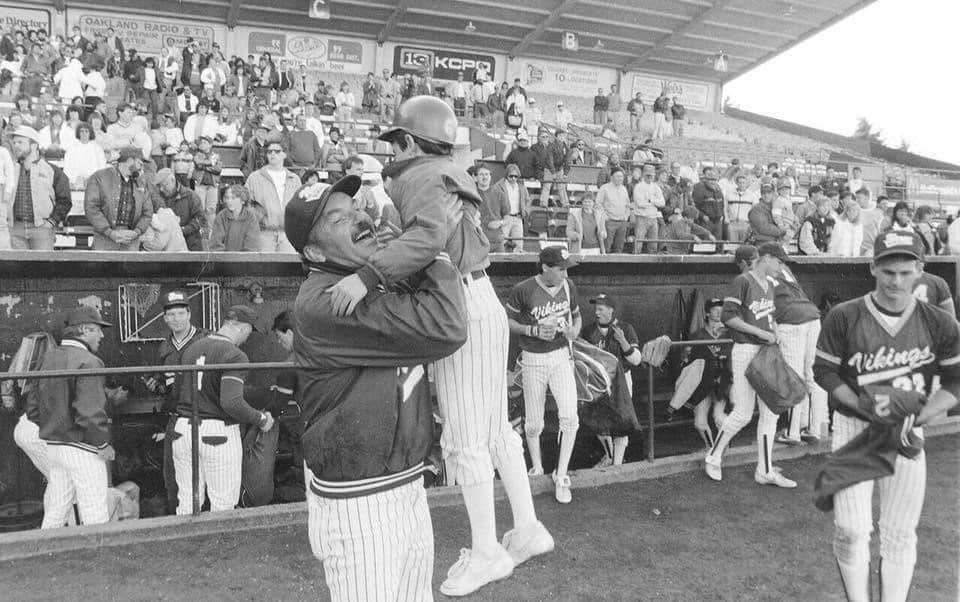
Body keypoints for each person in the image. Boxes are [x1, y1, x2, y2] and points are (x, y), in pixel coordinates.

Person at [327, 97, 553, 596]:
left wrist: (366, 276)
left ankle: (489, 552)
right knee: (495, 430)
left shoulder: (423, 175)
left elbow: (428, 238)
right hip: (481, 297)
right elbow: (427, 233)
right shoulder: (443, 169)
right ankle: (528, 526)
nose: (393, 149)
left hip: (459, 305)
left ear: (411, 140)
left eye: (397, 140)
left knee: (466, 441)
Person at [285, 178, 468, 602]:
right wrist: (430, 244)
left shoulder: (370, 275)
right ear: (314, 252)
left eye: (356, 207)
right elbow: (447, 325)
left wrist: (407, 247)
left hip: (406, 483)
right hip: (359, 500)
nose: (357, 217)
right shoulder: (326, 301)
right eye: (337, 218)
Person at [814, 230, 960, 602]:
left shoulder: (939, 322)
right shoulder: (845, 315)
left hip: (907, 431)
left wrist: (922, 416)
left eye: (905, 272)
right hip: (854, 427)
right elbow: (824, 372)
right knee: (851, 528)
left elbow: (956, 381)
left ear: (921, 271)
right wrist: (861, 404)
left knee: (900, 531)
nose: (896, 281)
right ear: (873, 267)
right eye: (888, 271)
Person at [704, 244, 797, 488]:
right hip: (746, 349)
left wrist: (774, 333)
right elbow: (728, 317)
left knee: (770, 412)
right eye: (778, 262)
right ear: (766, 258)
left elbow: (770, 317)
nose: (781, 267)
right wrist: (760, 333)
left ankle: (764, 470)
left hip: (766, 351)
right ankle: (713, 456)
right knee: (743, 413)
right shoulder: (743, 280)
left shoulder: (770, 285)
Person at [173, 305, 275, 515]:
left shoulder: (191, 348)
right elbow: (232, 403)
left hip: (183, 429)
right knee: (223, 505)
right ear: (244, 329)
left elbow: (178, 392)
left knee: (187, 503)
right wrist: (261, 419)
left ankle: (188, 547)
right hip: (216, 434)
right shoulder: (234, 354)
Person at [506, 246, 581, 502]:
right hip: (533, 358)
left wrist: (574, 331)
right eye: (560, 268)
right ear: (545, 267)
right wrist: (533, 331)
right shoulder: (523, 289)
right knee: (535, 422)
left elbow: (577, 316)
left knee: (570, 416)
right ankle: (536, 466)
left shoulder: (568, 286)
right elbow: (508, 322)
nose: (564, 273)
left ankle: (561, 475)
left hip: (560, 355)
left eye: (566, 268)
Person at [36, 306, 115, 527]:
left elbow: (33, 407)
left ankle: (44, 558)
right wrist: (103, 444)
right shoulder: (89, 361)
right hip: (82, 448)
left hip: (54, 447)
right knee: (94, 513)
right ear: (83, 329)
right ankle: (97, 562)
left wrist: (55, 426)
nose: (101, 335)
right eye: (97, 330)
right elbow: (89, 414)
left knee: (56, 512)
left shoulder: (49, 357)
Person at [143, 291, 208, 514]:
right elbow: (163, 388)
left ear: (189, 314)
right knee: (173, 475)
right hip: (176, 417)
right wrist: (155, 385)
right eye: (172, 314)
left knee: (206, 474)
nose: (177, 318)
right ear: (165, 318)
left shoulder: (205, 339)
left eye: (181, 312)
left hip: (205, 415)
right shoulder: (163, 348)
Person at [759, 242, 829, 445]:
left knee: (794, 377)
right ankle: (814, 430)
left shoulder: (763, 272)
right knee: (811, 375)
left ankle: (793, 433)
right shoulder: (785, 269)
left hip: (792, 321)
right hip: (812, 316)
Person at [581, 293, 642, 466]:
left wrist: (623, 341)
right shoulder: (588, 330)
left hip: (622, 380)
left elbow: (637, 359)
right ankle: (611, 457)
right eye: (595, 308)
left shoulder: (625, 328)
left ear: (611, 310)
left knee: (621, 423)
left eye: (600, 309)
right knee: (599, 422)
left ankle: (617, 465)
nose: (596, 312)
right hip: (599, 382)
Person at [7, 125, 72, 250]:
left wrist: (52, 222)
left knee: (43, 268)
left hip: (42, 229)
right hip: (15, 229)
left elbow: (65, 200)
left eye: (20, 142)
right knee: (16, 269)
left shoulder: (53, 171)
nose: (16, 146)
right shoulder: (9, 169)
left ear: (34, 146)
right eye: (14, 142)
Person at [84, 147, 154, 251]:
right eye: (140, 163)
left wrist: (136, 232)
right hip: (104, 240)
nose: (141, 168)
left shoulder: (142, 183)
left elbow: (148, 212)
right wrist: (109, 232)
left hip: (131, 242)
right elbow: (91, 208)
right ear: (130, 161)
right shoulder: (99, 177)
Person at [245, 140, 300, 252]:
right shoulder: (254, 177)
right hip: (264, 234)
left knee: (288, 269)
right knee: (264, 269)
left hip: (288, 235)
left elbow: (300, 206)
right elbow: (246, 203)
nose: (272, 154)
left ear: (284, 154)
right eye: (269, 151)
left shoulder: (295, 179)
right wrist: (260, 219)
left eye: (277, 151)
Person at [154, 168, 204, 251]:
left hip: (191, 247)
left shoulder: (191, 196)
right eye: (159, 186)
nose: (161, 189)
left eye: (164, 185)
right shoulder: (158, 198)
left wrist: (182, 230)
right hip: (167, 248)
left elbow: (200, 219)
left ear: (173, 180)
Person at [490, 163, 530, 253]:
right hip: (505, 218)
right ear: (506, 175)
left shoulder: (521, 187)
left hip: (518, 218)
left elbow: (528, 200)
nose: (513, 178)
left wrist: (525, 212)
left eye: (516, 176)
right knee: (501, 244)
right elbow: (494, 203)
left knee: (519, 246)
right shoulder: (498, 187)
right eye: (511, 176)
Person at [210, 184, 261, 252]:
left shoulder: (251, 217)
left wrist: (241, 259)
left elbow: (252, 245)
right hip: (224, 260)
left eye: (233, 198)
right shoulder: (221, 216)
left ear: (243, 200)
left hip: (246, 260)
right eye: (227, 198)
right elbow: (216, 243)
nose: (229, 201)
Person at [631, 164, 665, 253]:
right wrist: (653, 202)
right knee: (638, 244)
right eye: (647, 175)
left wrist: (650, 200)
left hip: (653, 218)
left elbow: (662, 203)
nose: (649, 177)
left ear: (654, 175)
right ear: (643, 175)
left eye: (651, 175)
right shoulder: (638, 186)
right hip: (641, 218)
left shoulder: (656, 187)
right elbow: (640, 203)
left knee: (653, 245)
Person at [596, 167, 631, 253]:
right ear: (611, 177)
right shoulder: (604, 188)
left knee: (619, 248)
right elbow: (598, 204)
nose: (620, 178)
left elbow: (627, 205)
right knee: (606, 247)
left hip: (622, 223)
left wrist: (626, 216)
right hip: (609, 222)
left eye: (621, 177)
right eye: (617, 176)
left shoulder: (624, 189)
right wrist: (605, 216)